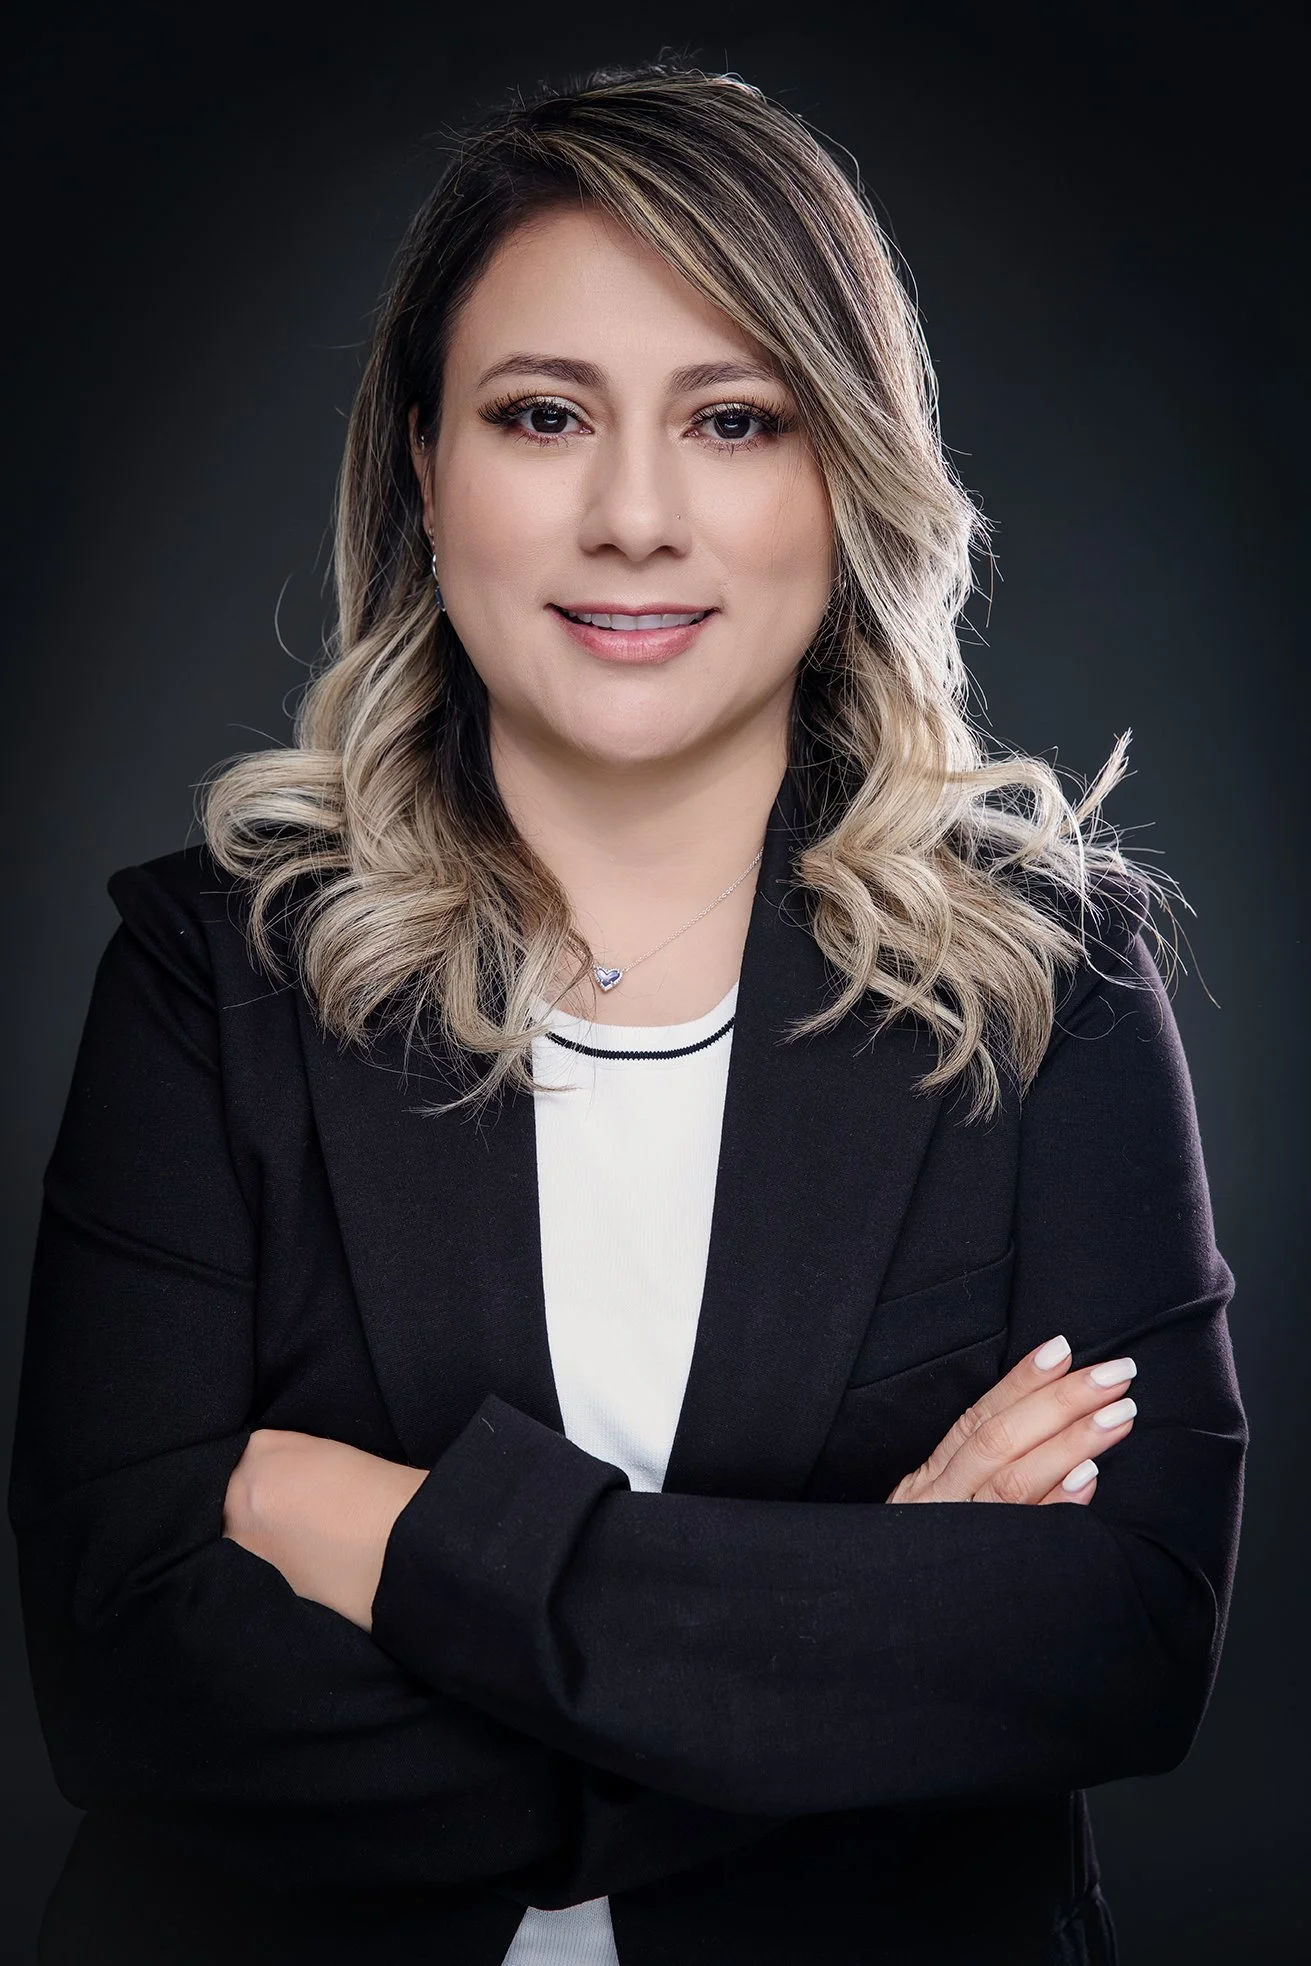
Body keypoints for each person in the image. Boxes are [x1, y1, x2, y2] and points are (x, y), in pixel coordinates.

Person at [8, 60, 1247, 1966]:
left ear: (846, 473)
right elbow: (129, 1670)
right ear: (423, 467)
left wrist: (398, 1536)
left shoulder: (1044, 984)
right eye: (540, 415)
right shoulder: (211, 972)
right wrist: (850, 1633)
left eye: (734, 418)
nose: (635, 516)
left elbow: (1120, 1644)